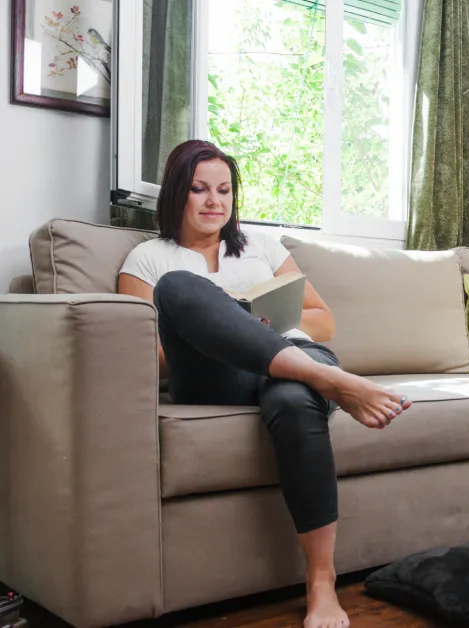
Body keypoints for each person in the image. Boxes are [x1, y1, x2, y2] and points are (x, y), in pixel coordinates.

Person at [117, 140, 409, 628]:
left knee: (296, 401)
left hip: (290, 358)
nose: (215, 201)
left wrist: (261, 331)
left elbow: (322, 320)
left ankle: (321, 583)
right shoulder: (147, 259)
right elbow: (142, 355)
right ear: (175, 194)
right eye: (199, 189)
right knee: (180, 289)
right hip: (215, 376)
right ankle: (330, 380)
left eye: (225, 190)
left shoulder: (260, 246)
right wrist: (226, 326)